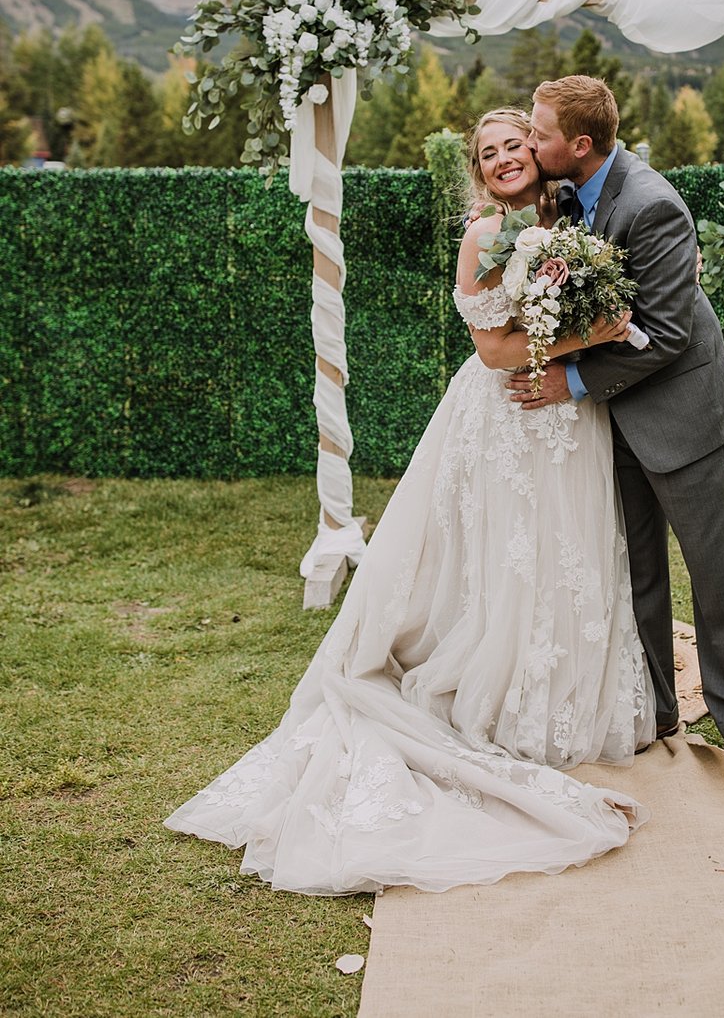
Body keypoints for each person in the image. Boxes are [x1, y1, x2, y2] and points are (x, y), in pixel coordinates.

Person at [164, 107, 657, 897]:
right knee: (509, 553)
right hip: (506, 415)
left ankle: (567, 685)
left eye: (513, 146)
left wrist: (587, 336)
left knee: (573, 544)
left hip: (569, 414)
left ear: (539, 152)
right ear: (479, 170)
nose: (503, 159)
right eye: (487, 153)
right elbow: (495, 348)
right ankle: (501, 692)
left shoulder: (572, 221)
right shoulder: (483, 237)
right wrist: (594, 336)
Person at [507, 76, 724, 776]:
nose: (531, 144)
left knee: (714, 580)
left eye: (540, 134)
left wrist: (573, 381)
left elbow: (673, 333)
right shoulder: (563, 196)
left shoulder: (652, 206)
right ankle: (655, 711)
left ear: (581, 144)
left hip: (680, 417)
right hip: (610, 425)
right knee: (636, 574)